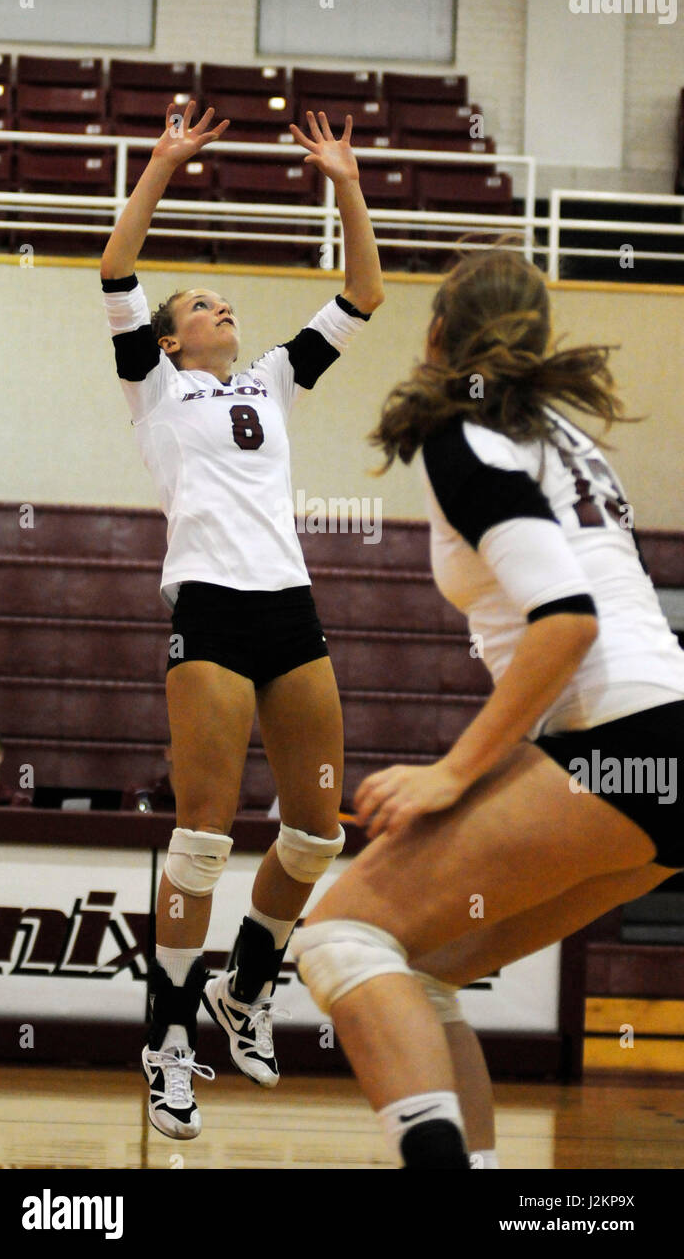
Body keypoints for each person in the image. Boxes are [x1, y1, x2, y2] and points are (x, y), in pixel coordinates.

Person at [291, 245, 684, 1169]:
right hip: (662, 752)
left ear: (436, 335)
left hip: (620, 738)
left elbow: (567, 622)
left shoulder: (463, 435)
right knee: (422, 961)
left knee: (343, 935)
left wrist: (453, 773)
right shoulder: (557, 435)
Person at [100, 99, 383, 1139]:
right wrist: (163, 164)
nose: (223, 311)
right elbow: (115, 270)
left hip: (289, 607)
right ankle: (170, 1040)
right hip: (211, 608)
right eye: (205, 305)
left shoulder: (269, 375)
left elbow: (363, 292)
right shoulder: (153, 387)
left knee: (317, 831)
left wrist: (345, 183)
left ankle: (247, 984)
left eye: (223, 302)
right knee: (204, 837)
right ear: (172, 335)